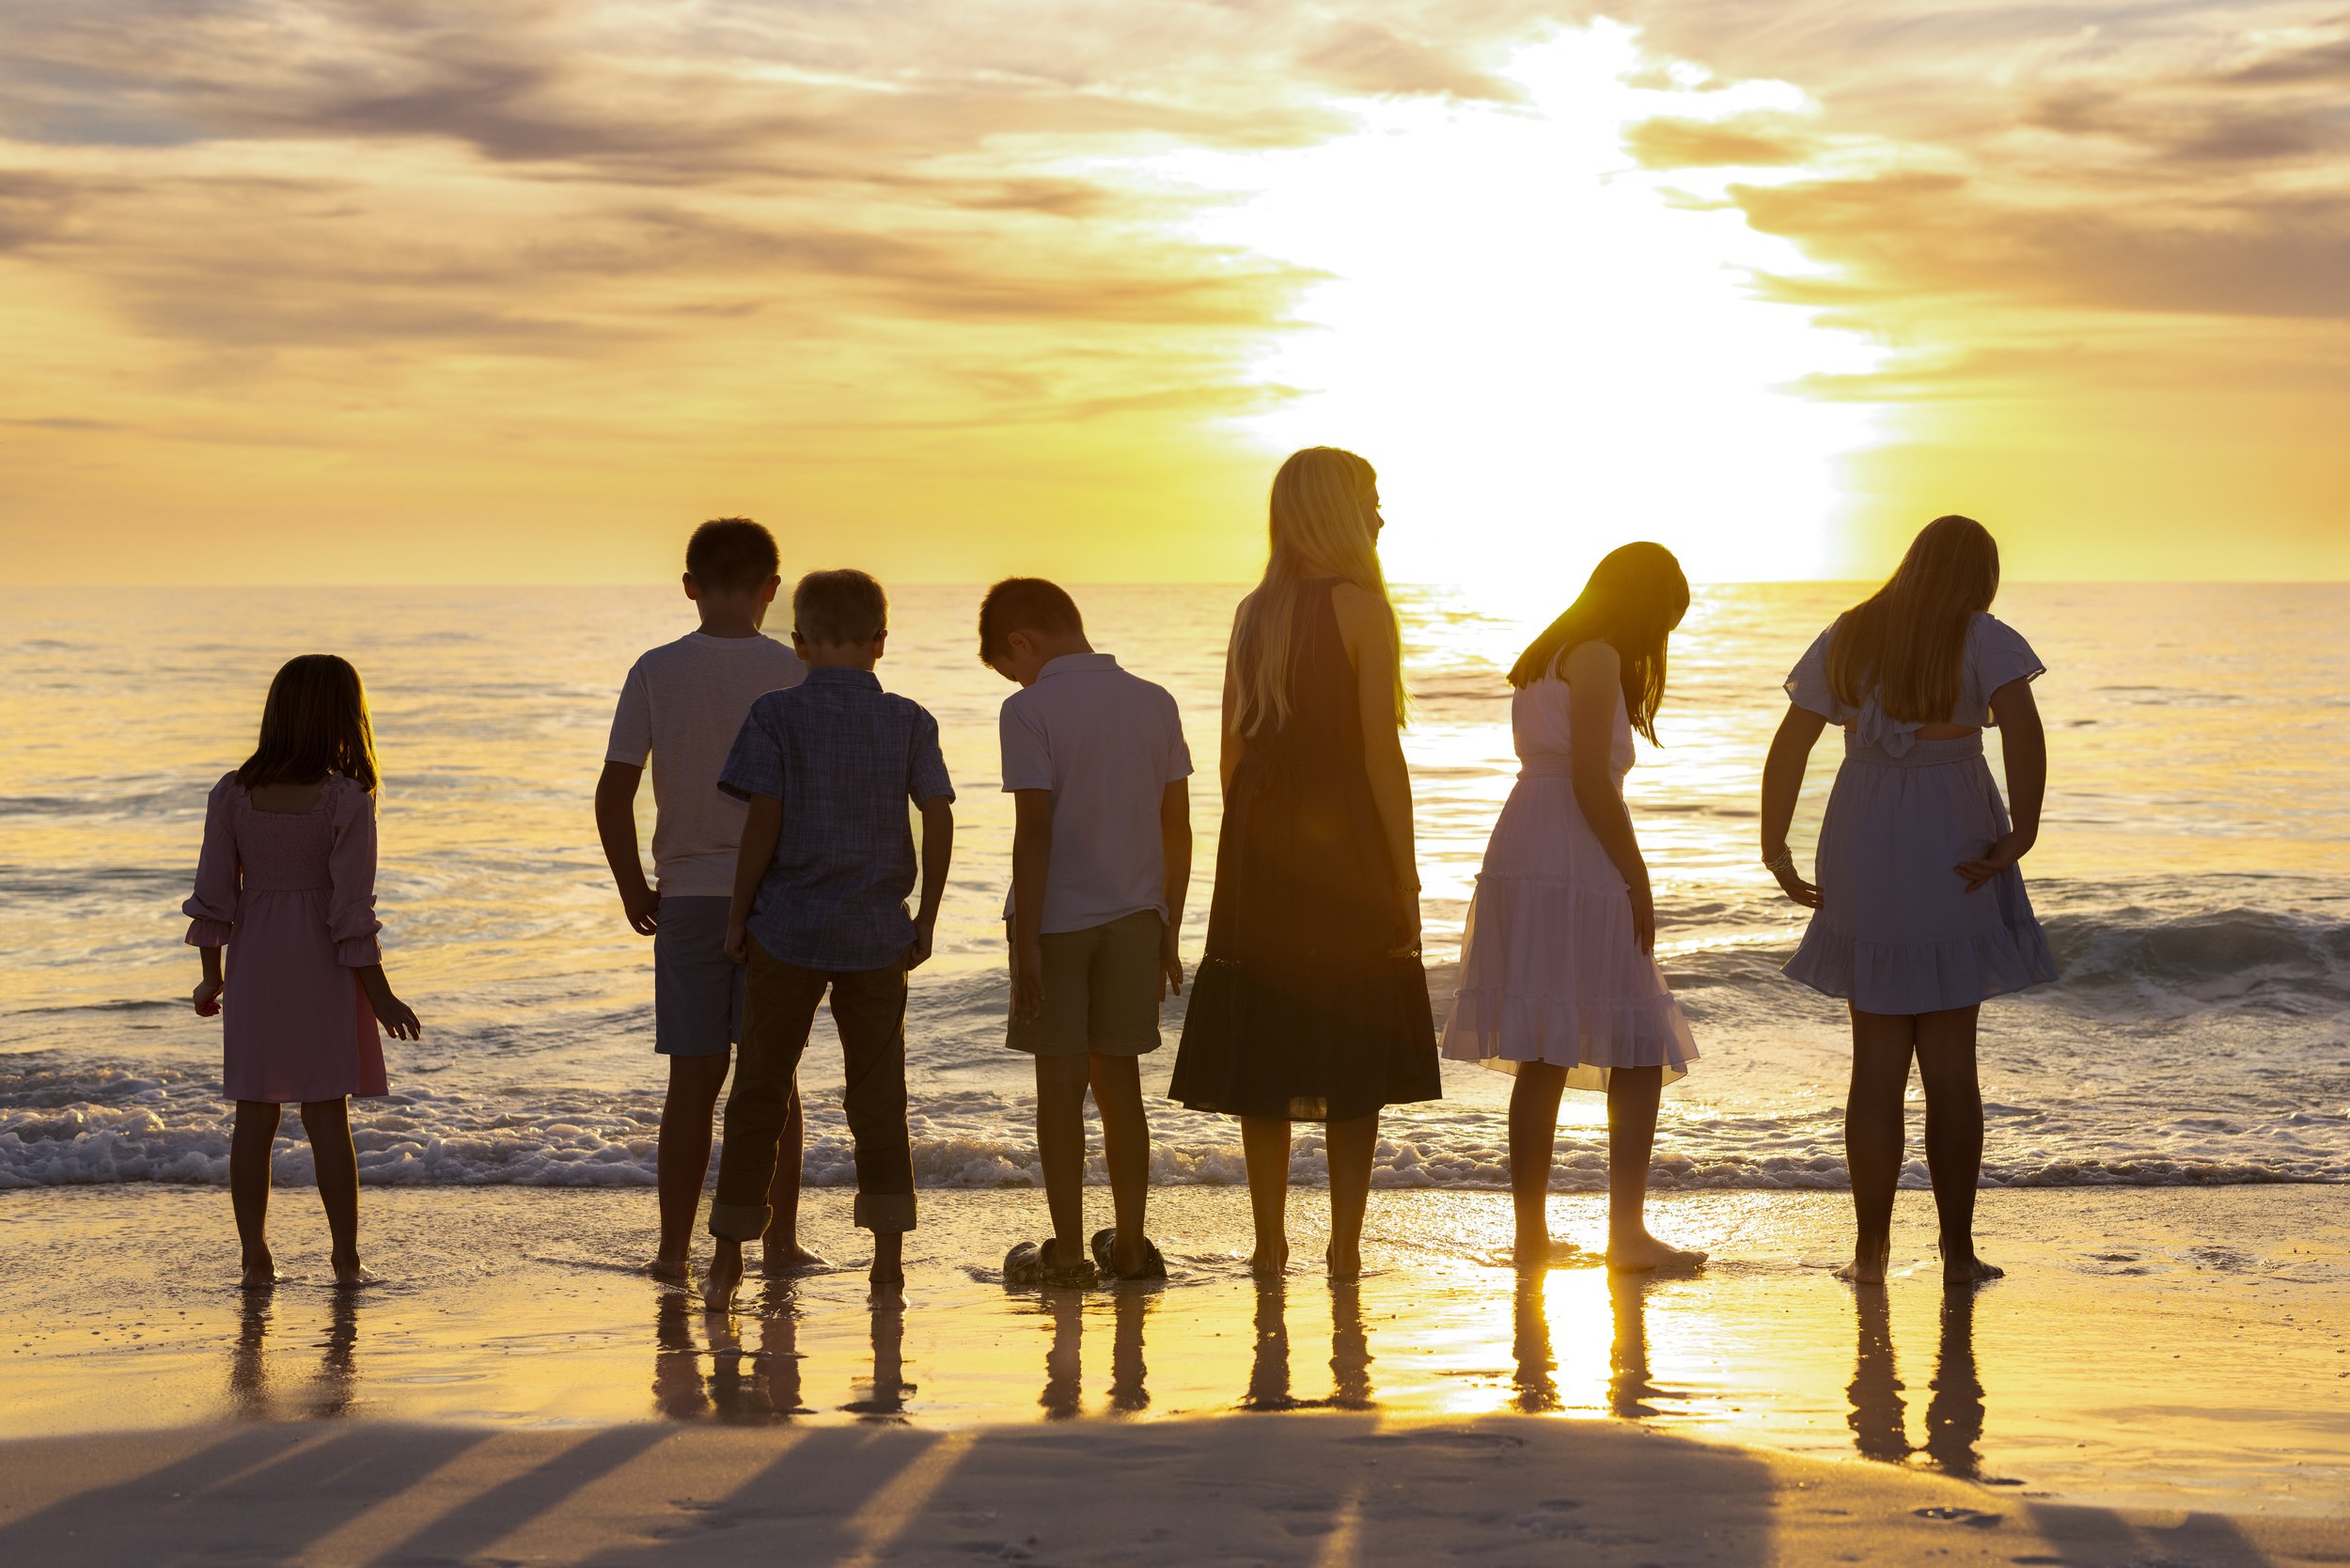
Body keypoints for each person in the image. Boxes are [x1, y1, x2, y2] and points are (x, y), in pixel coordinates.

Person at [1760, 514, 2056, 1285]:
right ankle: (1957, 1254)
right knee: (1953, 1065)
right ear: (1978, 575)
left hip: (1864, 831)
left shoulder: (1851, 632)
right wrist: (2022, 830)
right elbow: (2024, 733)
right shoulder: (1983, 635)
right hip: (1952, 829)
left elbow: (1792, 741)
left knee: (1876, 1061)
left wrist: (1775, 845)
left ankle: (1871, 1253)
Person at [1168, 446, 1441, 1280]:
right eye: (1370, 500)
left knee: (1267, 1039)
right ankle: (1345, 1248)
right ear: (1335, 512)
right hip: (1345, 840)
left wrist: (1256, 844)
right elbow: (1378, 756)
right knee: (1353, 1033)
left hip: (1259, 845)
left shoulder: (1254, 611)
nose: (1381, 516)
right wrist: (1405, 878)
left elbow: (1230, 754)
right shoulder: (1360, 608)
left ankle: (1268, 1242)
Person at [1442, 542, 1705, 1273]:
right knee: (1640, 1048)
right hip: (1572, 847)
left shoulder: (1547, 656)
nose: (1658, 644)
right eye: (1662, 622)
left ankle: (1533, 1239)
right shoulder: (1594, 655)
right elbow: (1591, 779)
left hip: (1530, 838)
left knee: (1544, 1051)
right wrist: (1637, 873)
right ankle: (1628, 1235)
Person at [705, 569, 955, 1302]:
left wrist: (735, 915)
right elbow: (938, 815)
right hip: (878, 933)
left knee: (759, 1091)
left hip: (787, 929)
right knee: (878, 1095)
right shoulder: (910, 719)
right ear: (883, 640)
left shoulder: (776, 714)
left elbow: (764, 820)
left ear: (799, 642)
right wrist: (929, 915)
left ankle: (727, 1263)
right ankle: (887, 1262)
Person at [597, 516, 824, 1283]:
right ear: (772, 590)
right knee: (774, 1079)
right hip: (778, 900)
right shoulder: (795, 670)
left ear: (690, 586)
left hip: (688, 897)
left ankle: (672, 1251)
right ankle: (781, 1243)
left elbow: (614, 791)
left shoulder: (656, 669)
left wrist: (634, 885)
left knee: (692, 1081)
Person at [978, 578, 1193, 1287]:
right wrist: (1168, 924)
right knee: (1120, 1087)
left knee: (1060, 1088)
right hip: (1137, 915)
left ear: (1021, 642)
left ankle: (1068, 1255)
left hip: (1060, 919)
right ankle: (1129, 1247)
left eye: (1014, 666)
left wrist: (1027, 944)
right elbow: (1177, 827)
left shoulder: (1028, 709)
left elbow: (1034, 831)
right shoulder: (1154, 701)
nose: (1018, 678)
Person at [183, 653, 421, 1289]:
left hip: (256, 961)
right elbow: (350, 913)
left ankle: (254, 1256)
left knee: (254, 1115)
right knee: (326, 1115)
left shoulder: (232, 793)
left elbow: (214, 897)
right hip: (320, 965)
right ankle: (346, 1258)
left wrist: (212, 975)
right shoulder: (345, 799)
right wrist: (383, 996)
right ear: (344, 716)